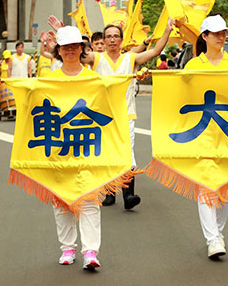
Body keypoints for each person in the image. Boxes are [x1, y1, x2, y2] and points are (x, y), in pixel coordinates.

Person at [79, 20, 175, 208]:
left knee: (127, 154)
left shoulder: (130, 58)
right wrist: (60, 35)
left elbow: (155, 52)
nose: (112, 40)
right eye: (109, 37)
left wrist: (167, 31)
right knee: (107, 154)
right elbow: (75, 56)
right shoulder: (95, 58)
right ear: (103, 41)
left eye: (116, 36)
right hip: (103, 117)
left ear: (122, 40)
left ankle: (128, 195)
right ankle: (109, 193)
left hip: (126, 115)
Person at [184, 14, 228, 259]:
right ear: (205, 37)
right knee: (206, 186)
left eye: (223, 33)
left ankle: (217, 232)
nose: (221, 37)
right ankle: (212, 239)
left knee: (226, 188)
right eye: (216, 33)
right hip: (202, 134)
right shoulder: (193, 66)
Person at [49, 26, 103, 270]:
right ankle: (68, 248)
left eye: (75, 46)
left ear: (82, 48)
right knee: (62, 201)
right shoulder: (48, 80)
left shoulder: (94, 78)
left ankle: (90, 251)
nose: (70, 50)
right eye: (65, 47)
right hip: (58, 149)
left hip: (88, 147)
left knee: (89, 199)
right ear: (58, 50)